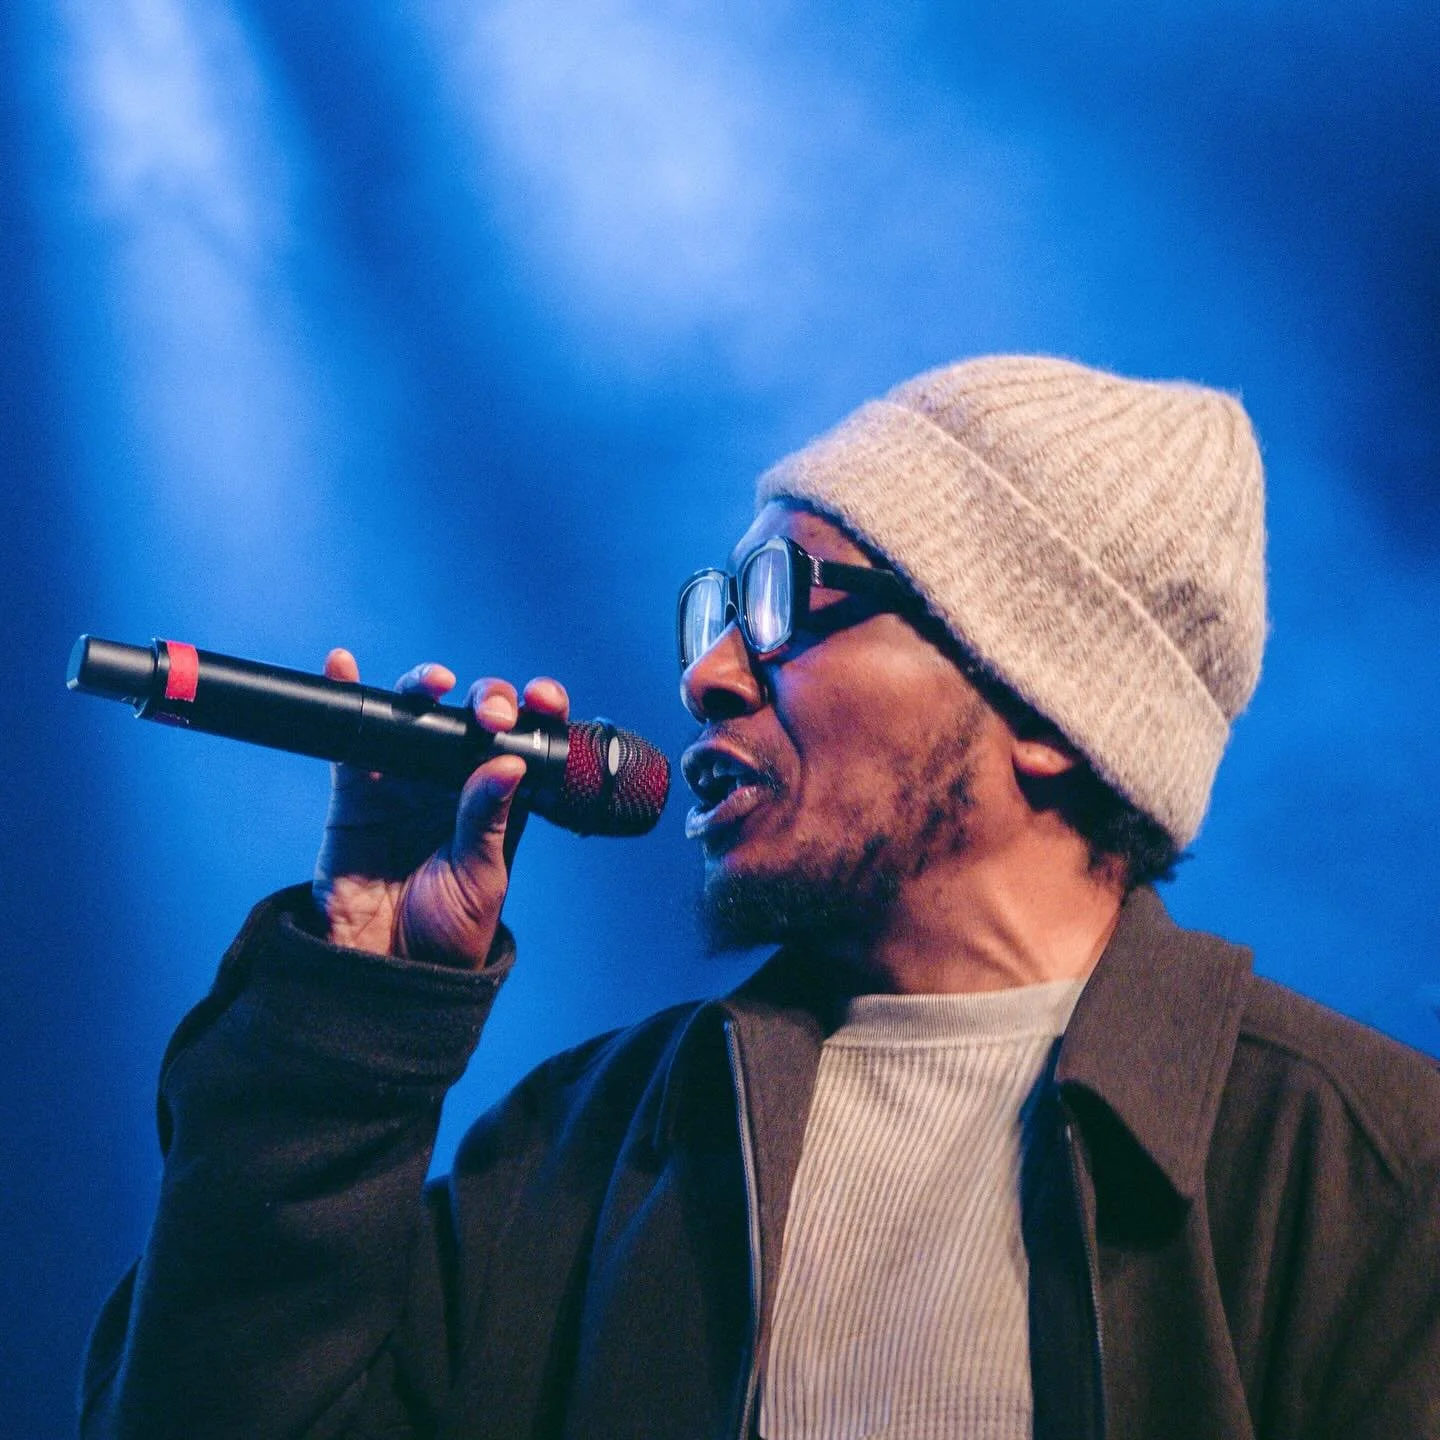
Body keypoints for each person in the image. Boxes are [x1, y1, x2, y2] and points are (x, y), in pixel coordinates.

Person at [81, 356, 1440, 1439]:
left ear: (1046, 709)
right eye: (717, 611)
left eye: (783, 600)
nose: (710, 674)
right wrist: (355, 1002)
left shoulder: (1361, 1173)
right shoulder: (593, 1145)